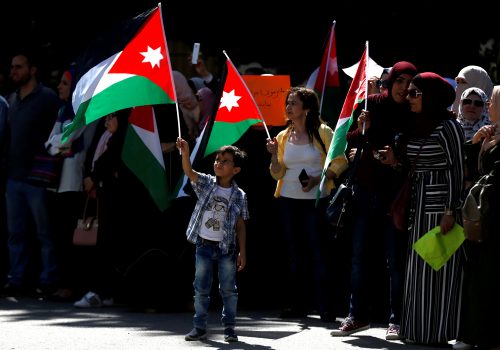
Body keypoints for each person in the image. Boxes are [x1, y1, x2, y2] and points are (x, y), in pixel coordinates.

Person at [330, 61, 418, 339]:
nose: (404, 88)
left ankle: (398, 319)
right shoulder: (373, 105)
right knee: (359, 258)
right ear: (390, 82)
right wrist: (360, 127)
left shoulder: (414, 112)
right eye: (399, 81)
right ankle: (357, 316)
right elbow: (352, 142)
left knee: (395, 261)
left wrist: (396, 162)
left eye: (409, 82)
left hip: (395, 198)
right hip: (365, 194)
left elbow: (413, 152)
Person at [265, 87, 348, 321]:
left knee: (319, 253)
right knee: (294, 254)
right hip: (288, 201)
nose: (288, 107)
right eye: (287, 103)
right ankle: (297, 305)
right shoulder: (282, 137)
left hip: (316, 201)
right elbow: (277, 173)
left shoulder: (323, 132)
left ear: (307, 108)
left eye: (294, 103)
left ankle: (325, 305)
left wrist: (320, 178)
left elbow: (340, 160)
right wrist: (272, 155)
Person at [397, 72, 465, 345]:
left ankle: (435, 333)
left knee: (435, 270)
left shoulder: (448, 127)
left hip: (438, 210)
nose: (409, 98)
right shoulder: (417, 125)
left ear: (431, 96)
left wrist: (450, 210)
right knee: (417, 270)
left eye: (415, 93)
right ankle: (416, 330)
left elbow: (457, 170)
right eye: (409, 93)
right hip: (418, 204)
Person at [176, 137, 249, 343]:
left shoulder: (239, 195)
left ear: (235, 170)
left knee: (228, 290)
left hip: (227, 249)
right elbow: (189, 172)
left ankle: (230, 328)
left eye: (225, 161)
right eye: (217, 159)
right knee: (201, 288)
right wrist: (186, 153)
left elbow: (241, 225)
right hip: (203, 245)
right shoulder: (207, 183)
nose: (218, 163)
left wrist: (243, 251)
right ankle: (199, 327)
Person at [2, 49, 60, 296]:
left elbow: (58, 133)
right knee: (16, 234)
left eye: (19, 66)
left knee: (45, 233)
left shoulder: (47, 97)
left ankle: (48, 280)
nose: (13, 71)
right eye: (12, 67)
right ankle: (18, 280)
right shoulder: (11, 99)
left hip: (38, 177)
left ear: (32, 70)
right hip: (14, 177)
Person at [44, 66, 98, 301]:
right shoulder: (62, 111)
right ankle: (62, 283)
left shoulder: (82, 111)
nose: (59, 87)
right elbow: (51, 143)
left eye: (65, 84)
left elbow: (68, 138)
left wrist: (58, 144)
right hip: (57, 182)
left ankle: (72, 286)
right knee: (58, 235)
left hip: (73, 182)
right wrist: (58, 145)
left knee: (72, 237)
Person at [454, 85, 500, 350]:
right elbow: (469, 166)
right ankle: (473, 334)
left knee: (491, 277)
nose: (487, 107)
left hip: (494, 218)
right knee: (477, 275)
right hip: (482, 217)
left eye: (490, 102)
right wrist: (476, 144)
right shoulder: (490, 134)